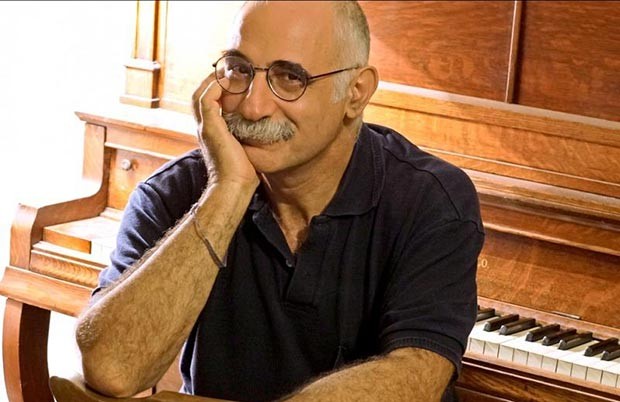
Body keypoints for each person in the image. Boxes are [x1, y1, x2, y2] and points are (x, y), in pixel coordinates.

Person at [75, 1, 484, 401]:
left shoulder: (431, 200)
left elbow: (416, 377)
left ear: (356, 93)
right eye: (239, 70)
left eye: (291, 78)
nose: (253, 107)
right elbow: (112, 369)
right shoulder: (175, 190)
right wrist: (227, 191)